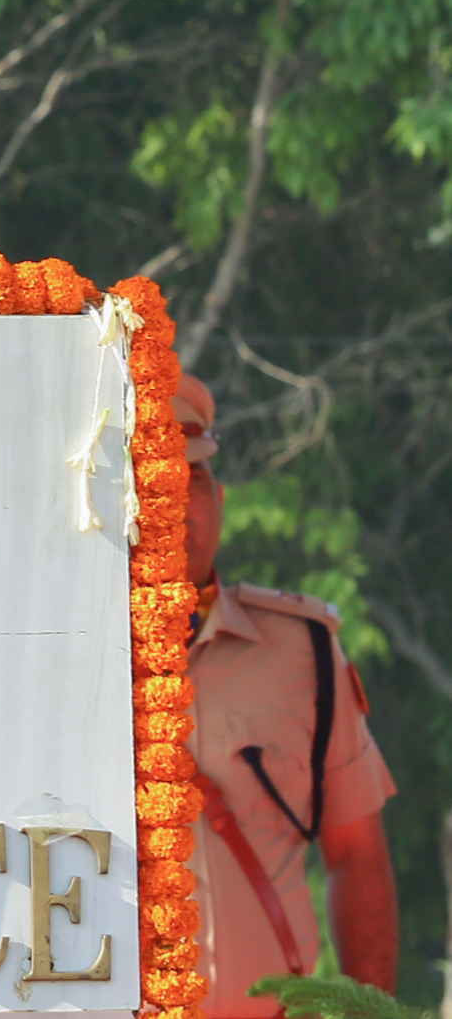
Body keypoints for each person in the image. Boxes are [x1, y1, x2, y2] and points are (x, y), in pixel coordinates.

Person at [180, 373, 400, 1014]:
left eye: (194, 481)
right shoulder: (53, 659)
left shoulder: (300, 648)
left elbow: (356, 855)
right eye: (151, 483)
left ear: (221, 497)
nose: (179, 506)